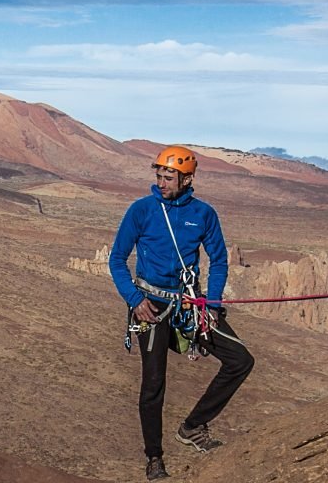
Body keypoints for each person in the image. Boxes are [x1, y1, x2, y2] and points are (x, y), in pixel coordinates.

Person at [107, 145, 254, 480]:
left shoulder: (203, 214)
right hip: (150, 307)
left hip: (190, 304)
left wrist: (211, 305)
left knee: (240, 360)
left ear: (188, 178)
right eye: (159, 175)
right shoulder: (141, 210)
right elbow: (117, 259)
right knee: (153, 383)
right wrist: (134, 299)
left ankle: (192, 427)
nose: (161, 182)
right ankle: (154, 457)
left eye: (168, 176)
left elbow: (218, 261)